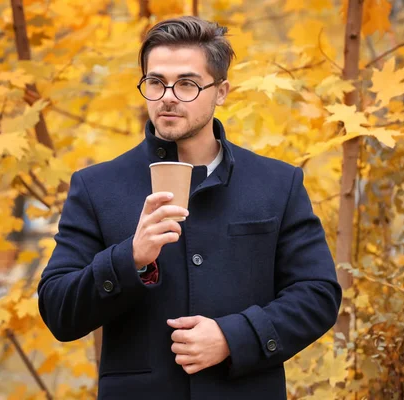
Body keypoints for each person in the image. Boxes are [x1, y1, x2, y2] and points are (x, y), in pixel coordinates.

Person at [37, 15, 342, 400]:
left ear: (221, 91)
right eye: (155, 82)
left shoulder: (277, 183)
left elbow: (318, 295)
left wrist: (234, 337)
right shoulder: (96, 186)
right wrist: (129, 257)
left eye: (186, 84)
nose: (167, 95)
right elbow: (58, 310)